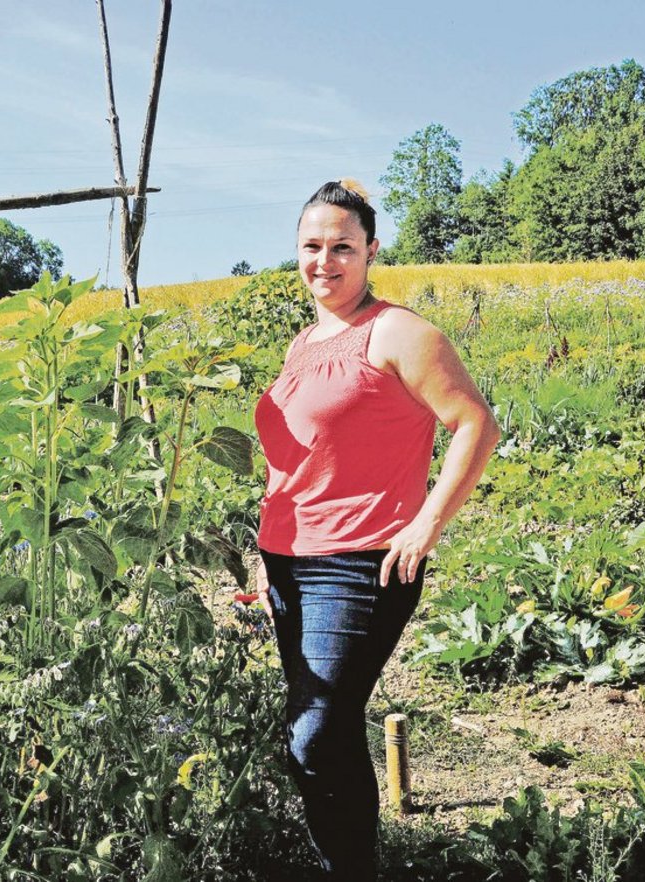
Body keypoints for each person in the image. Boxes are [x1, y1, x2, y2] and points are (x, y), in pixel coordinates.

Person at [252, 179, 501, 880]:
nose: (324, 261)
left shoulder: (396, 331)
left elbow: (475, 424)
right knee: (322, 733)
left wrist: (428, 521)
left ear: (370, 252)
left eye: (342, 247)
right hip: (287, 562)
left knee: (315, 734)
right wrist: (261, 550)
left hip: (359, 561)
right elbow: (294, 458)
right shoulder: (304, 342)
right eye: (311, 246)